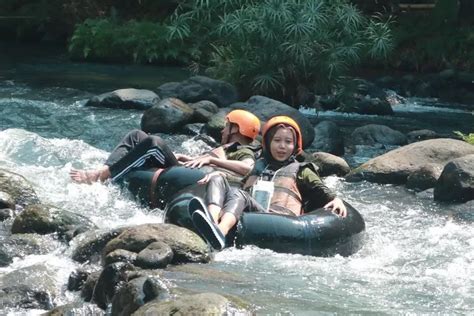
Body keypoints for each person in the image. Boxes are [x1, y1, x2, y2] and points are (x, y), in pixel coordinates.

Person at [189, 115, 347, 250]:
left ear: (295, 146)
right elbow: (242, 185)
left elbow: (322, 189)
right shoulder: (259, 166)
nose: (282, 146)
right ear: (268, 143)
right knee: (217, 178)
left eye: (288, 142)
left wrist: (337, 199)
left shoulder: (302, 169)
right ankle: (210, 221)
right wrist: (220, 174)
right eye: (277, 140)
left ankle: (220, 232)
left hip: (281, 221)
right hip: (256, 211)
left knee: (239, 194)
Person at [69, 109, 261, 185]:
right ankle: (105, 169)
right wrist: (187, 158)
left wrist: (211, 159)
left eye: (227, 125)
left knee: (154, 143)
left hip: (191, 179)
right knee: (137, 135)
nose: (223, 130)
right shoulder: (228, 146)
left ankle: (99, 177)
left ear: (236, 128)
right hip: (186, 169)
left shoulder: (242, 149)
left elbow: (248, 168)